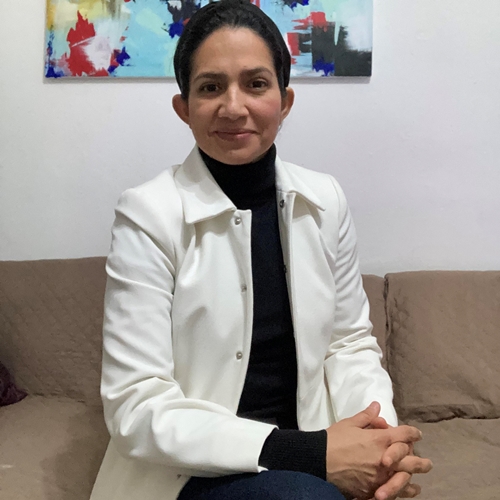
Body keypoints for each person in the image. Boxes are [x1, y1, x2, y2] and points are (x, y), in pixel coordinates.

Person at [90, 1, 432, 499]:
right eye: (210, 87)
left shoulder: (325, 199)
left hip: (314, 446)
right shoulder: (147, 214)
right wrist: (314, 454)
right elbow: (136, 406)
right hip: (194, 468)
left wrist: (381, 444)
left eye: (255, 84)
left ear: (284, 101)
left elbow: (349, 344)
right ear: (184, 108)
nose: (234, 107)